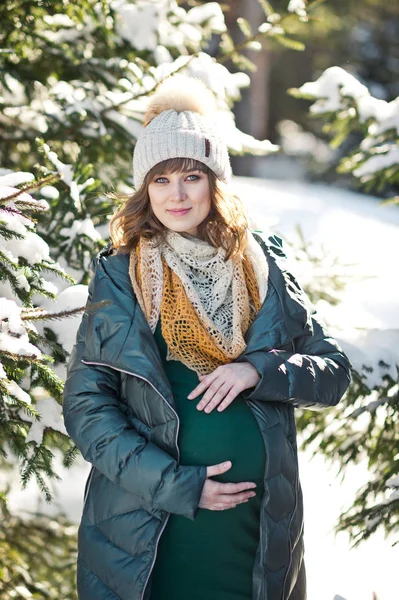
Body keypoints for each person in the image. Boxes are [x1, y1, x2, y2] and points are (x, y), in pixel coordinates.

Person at [63, 75, 352, 600]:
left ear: (215, 181)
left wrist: (258, 369)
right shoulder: (122, 276)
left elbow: (332, 373)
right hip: (152, 532)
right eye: (161, 179)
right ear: (144, 189)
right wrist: (179, 485)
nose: (176, 194)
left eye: (191, 176)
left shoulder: (265, 268)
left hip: (257, 535)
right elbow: (87, 408)